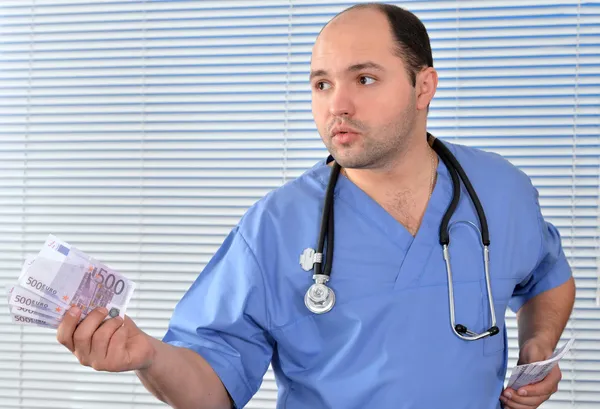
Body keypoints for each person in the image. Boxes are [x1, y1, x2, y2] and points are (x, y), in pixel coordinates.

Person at [56, 3, 576, 409]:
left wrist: (539, 345)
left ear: (424, 86)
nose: (337, 104)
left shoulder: (500, 190)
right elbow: (212, 387)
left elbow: (548, 281)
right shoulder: (276, 227)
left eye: (364, 79)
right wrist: (149, 357)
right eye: (322, 84)